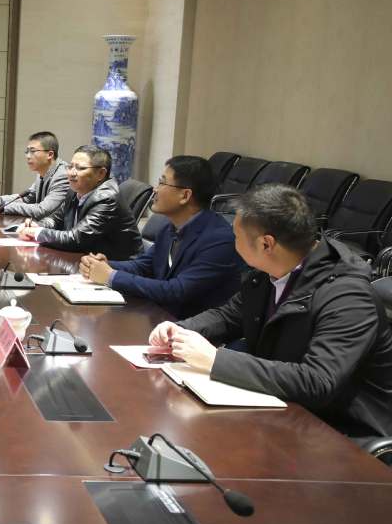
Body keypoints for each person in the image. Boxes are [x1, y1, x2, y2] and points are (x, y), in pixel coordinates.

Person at [150, 184, 392, 441]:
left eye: (236, 236)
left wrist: (214, 360)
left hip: (344, 434)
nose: (232, 242)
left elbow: (317, 381)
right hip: (283, 410)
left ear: (266, 244)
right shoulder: (269, 273)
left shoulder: (348, 298)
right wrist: (181, 330)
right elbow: (229, 316)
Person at [79, 156, 243, 319]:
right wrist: (104, 265)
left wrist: (111, 276)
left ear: (185, 196)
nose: (155, 190)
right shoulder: (169, 227)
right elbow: (143, 266)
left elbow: (177, 291)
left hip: (190, 328)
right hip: (160, 318)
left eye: (162, 183)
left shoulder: (219, 240)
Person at [17, 145, 142, 259]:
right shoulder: (74, 191)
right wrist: (37, 226)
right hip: (85, 258)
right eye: (70, 167)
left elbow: (76, 239)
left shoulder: (107, 199)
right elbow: (56, 219)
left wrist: (37, 233)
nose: (71, 173)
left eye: (80, 168)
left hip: (117, 266)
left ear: (101, 173)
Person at [0, 131, 69, 220]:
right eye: (27, 151)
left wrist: (2, 206)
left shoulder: (62, 176)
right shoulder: (42, 172)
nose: (28, 156)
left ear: (50, 154)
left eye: (33, 151)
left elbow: (42, 210)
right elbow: (27, 198)